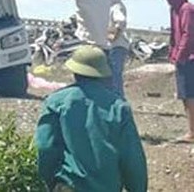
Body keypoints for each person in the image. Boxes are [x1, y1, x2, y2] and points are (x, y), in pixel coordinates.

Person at [34, 45, 148, 192]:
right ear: (103, 74)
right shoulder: (118, 107)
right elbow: (132, 157)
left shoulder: (56, 101)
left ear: (74, 72)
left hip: (69, 186)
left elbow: (45, 146)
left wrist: (50, 181)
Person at [162, 0, 194, 143]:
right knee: (184, 95)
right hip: (181, 58)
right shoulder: (173, 9)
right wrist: (171, 51)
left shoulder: (187, 9)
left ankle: (192, 133)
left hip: (189, 59)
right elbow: (174, 33)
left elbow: (188, 35)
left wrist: (180, 55)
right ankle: (191, 129)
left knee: (190, 95)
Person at [107, 0, 131, 98]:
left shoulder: (116, 6)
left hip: (117, 45)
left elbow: (120, 22)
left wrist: (112, 37)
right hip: (116, 45)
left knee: (114, 75)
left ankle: (118, 100)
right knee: (112, 75)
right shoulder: (112, 6)